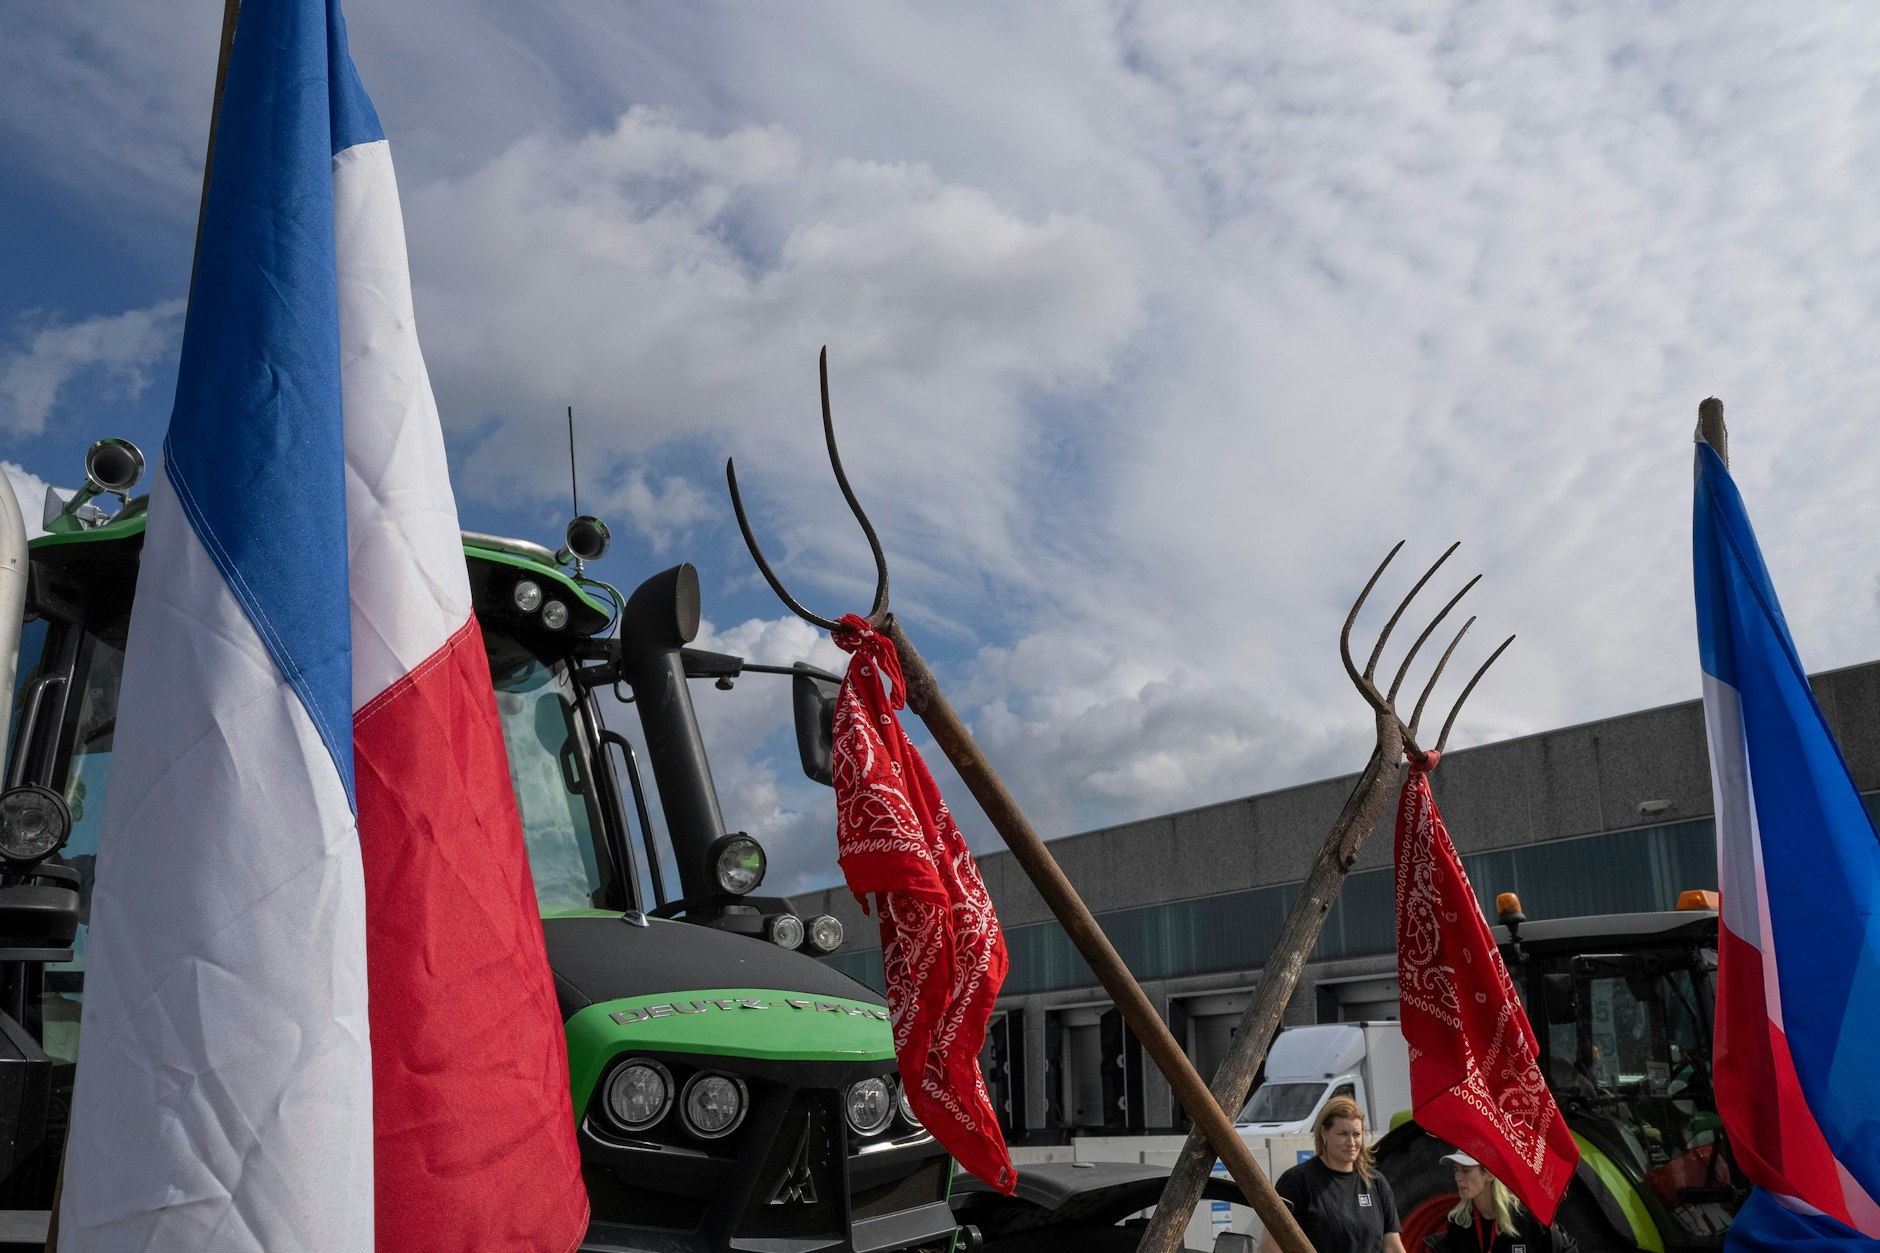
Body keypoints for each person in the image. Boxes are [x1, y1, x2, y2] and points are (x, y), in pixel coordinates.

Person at [1262, 1095, 1405, 1253]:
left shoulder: (1376, 1183)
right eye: (1342, 1133)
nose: (1351, 1142)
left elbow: (1392, 1246)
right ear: (1324, 1133)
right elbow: (1271, 1245)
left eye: (1356, 1134)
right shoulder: (1296, 1182)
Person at [1423, 1150, 1580, 1253]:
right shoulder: (1459, 1223)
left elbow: (1568, 1250)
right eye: (1456, 1170)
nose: (1458, 1177)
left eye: (1466, 1170)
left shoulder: (1527, 1217)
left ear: (1490, 1175)